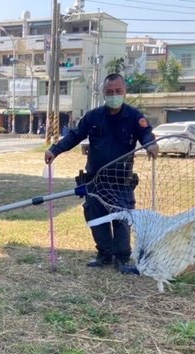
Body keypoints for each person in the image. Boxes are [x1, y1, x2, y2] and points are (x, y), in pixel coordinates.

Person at [44, 73, 155, 274]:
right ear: (104, 93)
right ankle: (104, 254)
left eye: (118, 91)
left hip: (121, 180)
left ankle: (122, 258)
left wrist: (150, 144)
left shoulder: (134, 116)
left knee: (121, 218)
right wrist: (54, 150)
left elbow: (146, 134)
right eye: (109, 92)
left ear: (124, 91)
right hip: (95, 179)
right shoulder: (93, 117)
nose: (114, 95)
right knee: (96, 217)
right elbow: (75, 136)